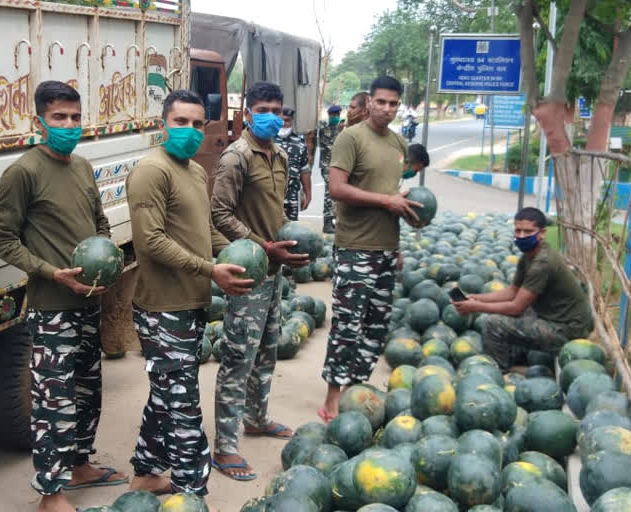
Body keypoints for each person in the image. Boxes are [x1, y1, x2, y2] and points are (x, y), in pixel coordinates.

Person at [0, 80, 128, 512]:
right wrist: (52, 272)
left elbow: (99, 222)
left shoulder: (83, 167)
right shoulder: (23, 172)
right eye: (58, 118)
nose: (69, 125)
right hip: (52, 308)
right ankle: (50, 494)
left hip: (89, 301)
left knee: (88, 390)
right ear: (39, 122)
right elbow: (3, 241)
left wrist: (106, 255)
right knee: (54, 401)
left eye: (74, 117)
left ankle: (81, 465)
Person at [126, 90, 253, 500]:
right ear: (162, 124)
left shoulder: (196, 172)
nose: (190, 131)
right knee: (183, 406)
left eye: (198, 124)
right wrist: (209, 269)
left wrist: (248, 251)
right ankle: (191, 493)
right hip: (162, 309)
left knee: (167, 392)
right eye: (181, 122)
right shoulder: (151, 170)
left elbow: (205, 233)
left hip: (191, 304)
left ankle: (146, 472)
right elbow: (149, 241)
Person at [211, 81, 310, 481]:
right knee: (238, 357)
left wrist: (285, 244)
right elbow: (219, 213)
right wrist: (263, 246)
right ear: (248, 113)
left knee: (267, 349)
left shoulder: (281, 154)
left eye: (278, 108)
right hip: (250, 269)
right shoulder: (236, 157)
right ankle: (225, 446)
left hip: (275, 267)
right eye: (263, 108)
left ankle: (256, 417)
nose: (272, 115)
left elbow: (277, 209)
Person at [318, 76, 423, 422]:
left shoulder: (398, 143)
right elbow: (337, 188)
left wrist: (399, 240)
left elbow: (393, 193)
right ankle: (333, 396)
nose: (387, 109)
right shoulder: (351, 138)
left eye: (394, 103)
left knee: (376, 327)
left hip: (385, 248)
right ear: (368, 104)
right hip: (354, 248)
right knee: (347, 325)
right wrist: (386, 202)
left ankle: (355, 390)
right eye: (381, 102)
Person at [451, 207, 594, 370]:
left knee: (493, 324)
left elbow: (515, 306)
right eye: (518, 230)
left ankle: (497, 371)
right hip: (557, 318)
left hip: (569, 331)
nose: (521, 236)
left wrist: (476, 307)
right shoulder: (529, 256)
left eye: (528, 231)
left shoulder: (542, 263)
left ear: (542, 233)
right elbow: (512, 291)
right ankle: (516, 356)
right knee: (516, 313)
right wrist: (476, 297)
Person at [275, 106, 311, 221]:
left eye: (287, 121)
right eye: (281, 120)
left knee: (290, 233)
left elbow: (304, 169)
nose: (284, 124)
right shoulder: (267, 139)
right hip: (270, 199)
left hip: (292, 199)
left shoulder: (300, 141)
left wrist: (308, 193)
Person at [318, 104, 343, 233]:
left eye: (337, 115)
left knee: (339, 195)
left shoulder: (342, 129)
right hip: (327, 166)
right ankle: (327, 223)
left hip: (339, 167)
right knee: (329, 194)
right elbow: (329, 144)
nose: (336, 117)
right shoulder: (324, 128)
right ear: (329, 115)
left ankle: (335, 221)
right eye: (333, 115)